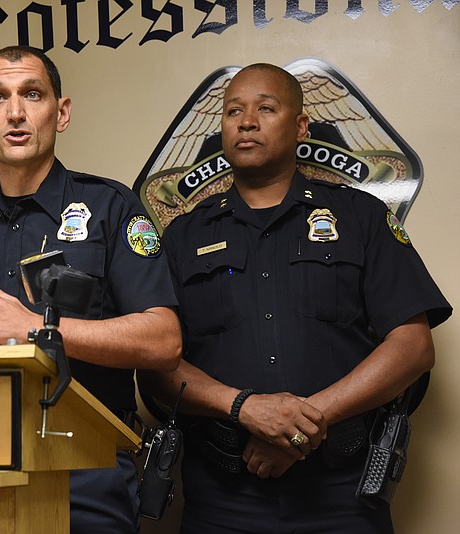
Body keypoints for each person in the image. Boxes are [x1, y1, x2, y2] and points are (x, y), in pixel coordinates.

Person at [138, 63, 452, 533]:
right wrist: (246, 407)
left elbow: (412, 346)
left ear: (301, 125)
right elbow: (158, 366)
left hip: (342, 496)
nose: (246, 121)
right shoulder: (184, 236)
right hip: (223, 498)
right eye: (233, 111)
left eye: (266, 108)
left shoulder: (360, 216)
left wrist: (300, 425)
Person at [0, 45, 182, 533]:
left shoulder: (110, 207)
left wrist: (35, 329)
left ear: (62, 112)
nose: (15, 112)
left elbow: (163, 340)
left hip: (83, 470)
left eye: (32, 94)